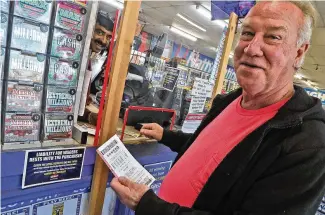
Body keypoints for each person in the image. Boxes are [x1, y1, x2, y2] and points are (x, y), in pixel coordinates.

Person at [110, 1, 325, 215]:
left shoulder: (307, 142)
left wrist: (148, 206)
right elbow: (214, 154)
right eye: (248, 33)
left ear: (299, 53)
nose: (251, 48)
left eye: (273, 37)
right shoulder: (229, 101)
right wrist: (165, 135)